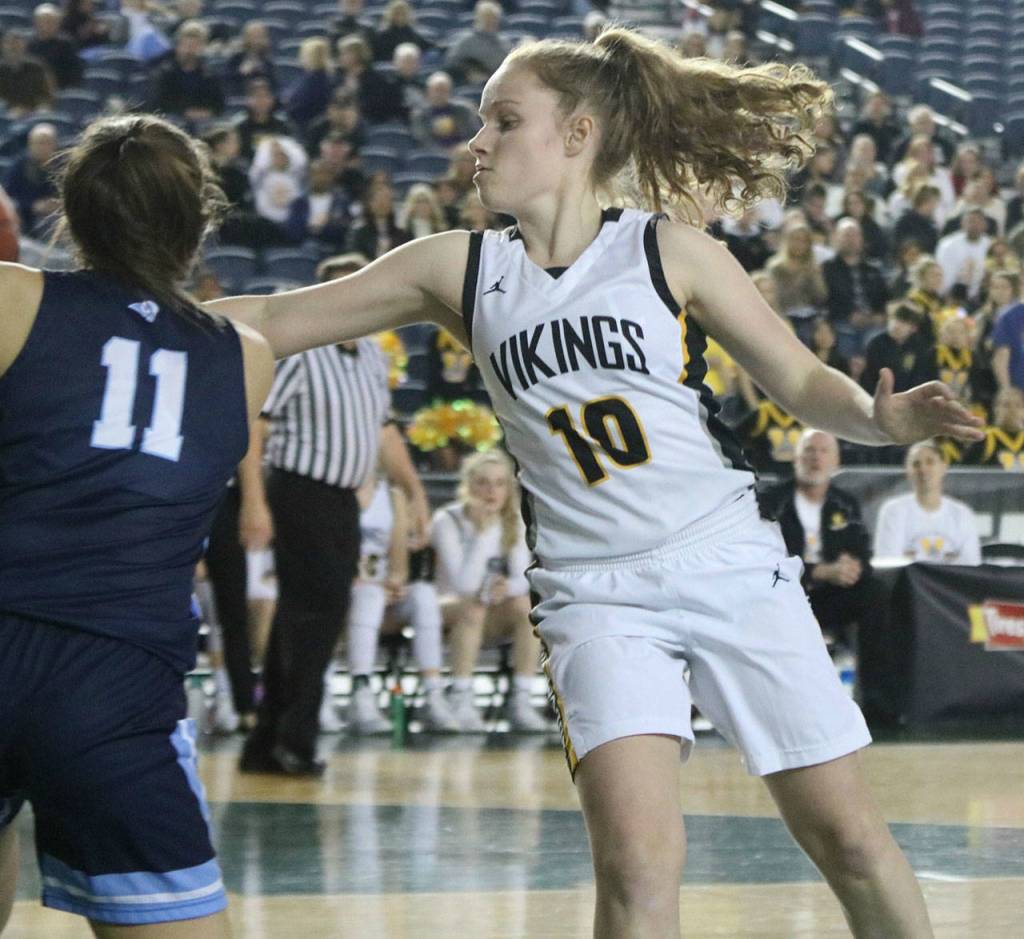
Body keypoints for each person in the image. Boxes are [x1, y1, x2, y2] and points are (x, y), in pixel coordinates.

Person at [210, 27, 983, 937]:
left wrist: (880, 418)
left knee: (848, 836)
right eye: (479, 123)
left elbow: (805, 382)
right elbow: (268, 315)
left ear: (577, 135)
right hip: (592, 591)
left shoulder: (671, 251)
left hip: (727, 559)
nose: (478, 143)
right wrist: (115, 313)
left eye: (504, 121)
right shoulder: (457, 268)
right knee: (636, 866)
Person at [0, 114, 274, 936]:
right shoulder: (244, 353)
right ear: (200, 224)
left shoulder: (13, 297)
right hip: (112, 680)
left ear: (73, 213)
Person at [239, 252, 429, 776]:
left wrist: (414, 490)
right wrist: (254, 501)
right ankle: (295, 741)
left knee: (304, 618)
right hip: (300, 490)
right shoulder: (301, 355)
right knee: (314, 618)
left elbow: (384, 431)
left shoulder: (372, 357)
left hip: (342, 499)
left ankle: (267, 742)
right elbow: (255, 424)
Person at [330, 467, 460, 734]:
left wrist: (396, 582)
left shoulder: (392, 495)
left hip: (381, 590)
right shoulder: (332, 491)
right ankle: (360, 691)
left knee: (422, 594)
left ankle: (432, 694)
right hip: (342, 590)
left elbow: (398, 558)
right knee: (368, 594)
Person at [430, 450, 550, 732]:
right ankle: (460, 695)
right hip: (449, 607)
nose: (491, 491)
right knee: (473, 606)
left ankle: (521, 699)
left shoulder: (515, 521)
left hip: (492, 609)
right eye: (482, 482)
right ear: (468, 485)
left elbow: (523, 578)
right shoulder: (447, 520)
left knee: (526, 607)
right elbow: (462, 584)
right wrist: (483, 532)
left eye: (499, 483)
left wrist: (506, 587)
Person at [759, 430, 874, 650]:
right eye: (809, 450)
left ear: (836, 461)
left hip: (832, 594)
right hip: (785, 592)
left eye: (824, 451)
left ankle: (875, 682)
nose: (816, 457)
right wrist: (818, 571)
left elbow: (862, 555)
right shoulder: (772, 501)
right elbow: (764, 559)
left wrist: (852, 569)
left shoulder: (845, 504)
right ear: (796, 458)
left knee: (874, 592)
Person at [873, 441, 981, 564]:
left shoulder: (962, 514)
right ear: (907, 471)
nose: (923, 469)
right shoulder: (893, 511)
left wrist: (912, 557)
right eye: (916, 464)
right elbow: (887, 562)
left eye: (930, 462)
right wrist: (948, 558)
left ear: (943, 467)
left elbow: (971, 565)